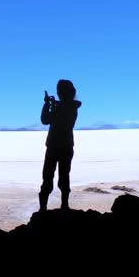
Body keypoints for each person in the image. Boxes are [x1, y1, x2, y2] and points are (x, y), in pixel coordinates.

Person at [39, 79, 82, 212]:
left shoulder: (63, 108)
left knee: (48, 177)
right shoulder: (72, 106)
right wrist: (52, 103)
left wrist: (47, 104)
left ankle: (44, 209)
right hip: (66, 147)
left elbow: (45, 119)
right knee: (64, 176)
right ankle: (64, 206)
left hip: (54, 147)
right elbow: (62, 107)